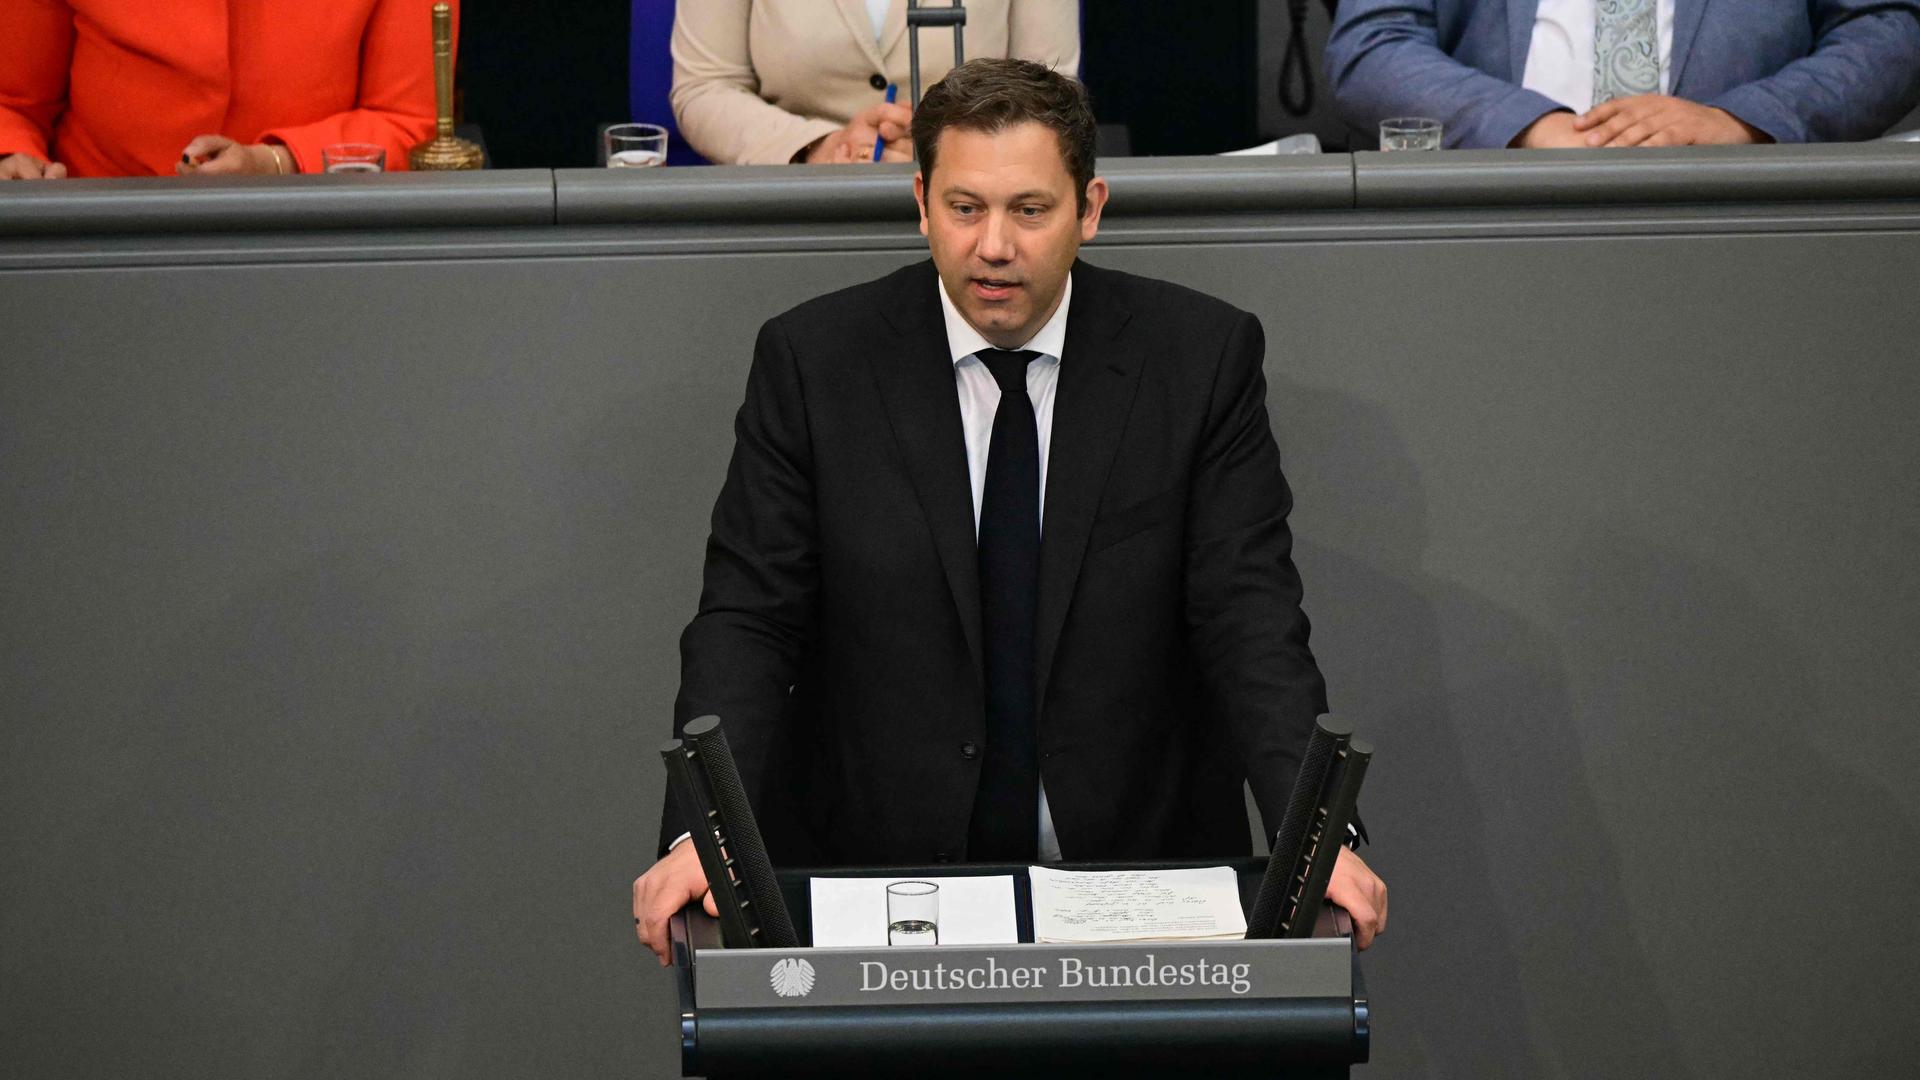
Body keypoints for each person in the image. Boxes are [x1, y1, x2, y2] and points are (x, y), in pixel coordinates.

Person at [633, 58, 1388, 963]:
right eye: (965, 208)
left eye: (1030, 210)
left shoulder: (1198, 359)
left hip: (1137, 873)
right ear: (921, 203)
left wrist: (1318, 843)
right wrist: (704, 837)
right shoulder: (814, 362)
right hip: (878, 877)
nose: (994, 245)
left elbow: (1250, 617)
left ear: (1089, 209)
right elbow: (749, 620)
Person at [1327, 0, 1920, 149]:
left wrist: (1744, 121)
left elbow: (1889, 30)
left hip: (1749, 228)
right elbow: (1373, 45)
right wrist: (1528, 128)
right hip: (1490, 227)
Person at [0, 0, 448, 180]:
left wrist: (276, 163)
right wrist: (14, 160)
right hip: (94, 245)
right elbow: (12, 104)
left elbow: (409, 125)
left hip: (308, 243)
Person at [670, 0, 1079, 164]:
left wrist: (948, 146)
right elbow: (705, 87)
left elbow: (1050, 92)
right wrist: (821, 147)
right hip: (795, 204)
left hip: (977, 201)